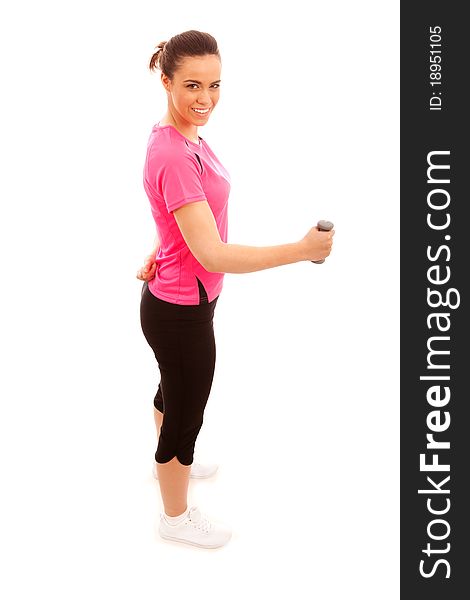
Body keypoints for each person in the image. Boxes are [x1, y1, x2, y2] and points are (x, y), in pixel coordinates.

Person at [137, 29, 335, 550]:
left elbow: (178, 214)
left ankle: (174, 463)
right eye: (192, 86)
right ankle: (174, 517)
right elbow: (213, 253)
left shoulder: (180, 135)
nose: (206, 99)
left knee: (172, 390)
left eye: (215, 85)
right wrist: (299, 250)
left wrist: (162, 248)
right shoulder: (175, 154)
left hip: (179, 300)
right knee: (185, 414)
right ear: (165, 81)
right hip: (181, 311)